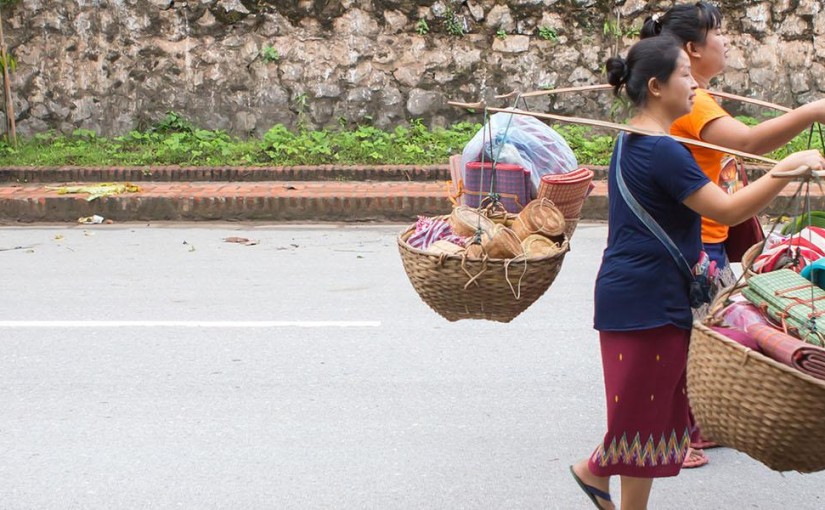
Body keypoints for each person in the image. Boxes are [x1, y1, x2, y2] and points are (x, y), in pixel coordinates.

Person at [569, 35, 825, 510]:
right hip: (645, 299)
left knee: (652, 416)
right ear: (656, 86)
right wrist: (785, 170)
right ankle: (592, 470)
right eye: (685, 74)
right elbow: (726, 212)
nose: (694, 84)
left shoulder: (640, 137)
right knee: (641, 418)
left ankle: (608, 486)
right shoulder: (662, 150)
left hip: (643, 293)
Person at [641, 0, 825, 468]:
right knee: (688, 335)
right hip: (695, 235)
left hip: (711, 233)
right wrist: (811, 112)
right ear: (691, 48)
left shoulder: (698, 95)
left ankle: (691, 422)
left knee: (700, 330)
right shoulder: (693, 101)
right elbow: (748, 142)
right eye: (720, 34)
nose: (728, 42)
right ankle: (669, 433)